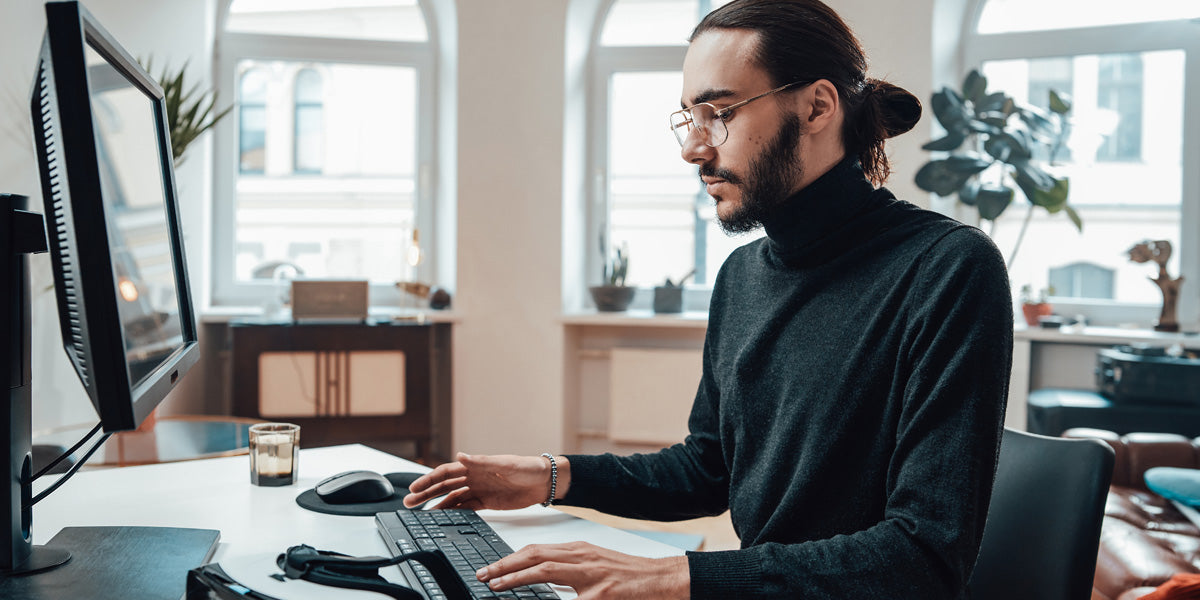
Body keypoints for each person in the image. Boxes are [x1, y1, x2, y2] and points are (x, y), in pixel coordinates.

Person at [404, 0, 1013, 597]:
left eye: (719, 112)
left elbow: (922, 558)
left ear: (817, 107)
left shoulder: (948, 268)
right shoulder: (744, 274)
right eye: (689, 119)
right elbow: (706, 471)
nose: (694, 149)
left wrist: (675, 576)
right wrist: (548, 476)